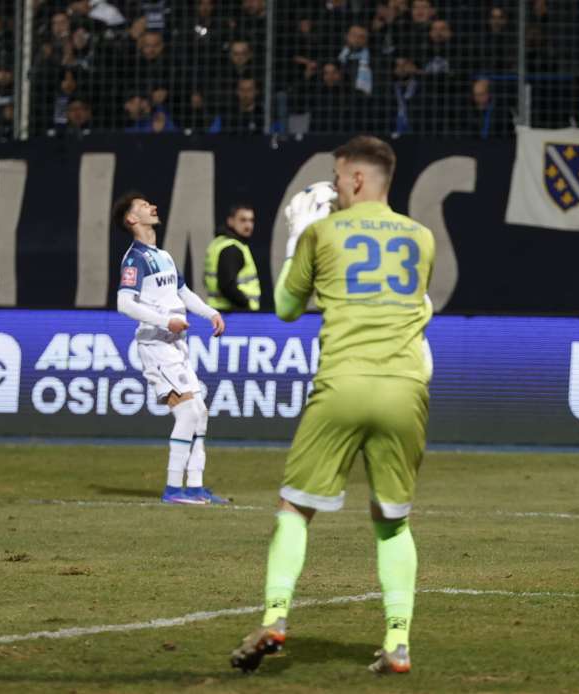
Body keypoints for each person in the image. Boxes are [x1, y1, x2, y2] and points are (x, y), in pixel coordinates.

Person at [230, 135, 435, 675]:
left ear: (358, 178)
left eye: (339, 177)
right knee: (393, 524)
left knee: (295, 509)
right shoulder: (422, 237)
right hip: (406, 386)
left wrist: (298, 238)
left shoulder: (323, 232)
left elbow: (285, 308)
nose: (336, 187)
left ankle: (275, 615)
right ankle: (398, 641)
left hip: (344, 382)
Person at [111, 192, 229, 506]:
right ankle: (173, 489)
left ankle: (195, 486)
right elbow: (124, 303)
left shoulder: (163, 255)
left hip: (176, 345)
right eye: (143, 205)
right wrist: (166, 321)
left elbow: (183, 292)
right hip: (156, 345)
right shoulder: (134, 259)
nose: (152, 206)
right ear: (131, 219)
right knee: (187, 412)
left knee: (199, 412)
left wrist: (210, 313)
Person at [204, 203, 260, 311]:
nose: (248, 225)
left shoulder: (219, 243)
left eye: (251, 220)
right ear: (230, 221)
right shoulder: (232, 249)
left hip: (221, 311)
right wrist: (246, 305)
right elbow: (226, 286)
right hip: (233, 314)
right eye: (243, 220)